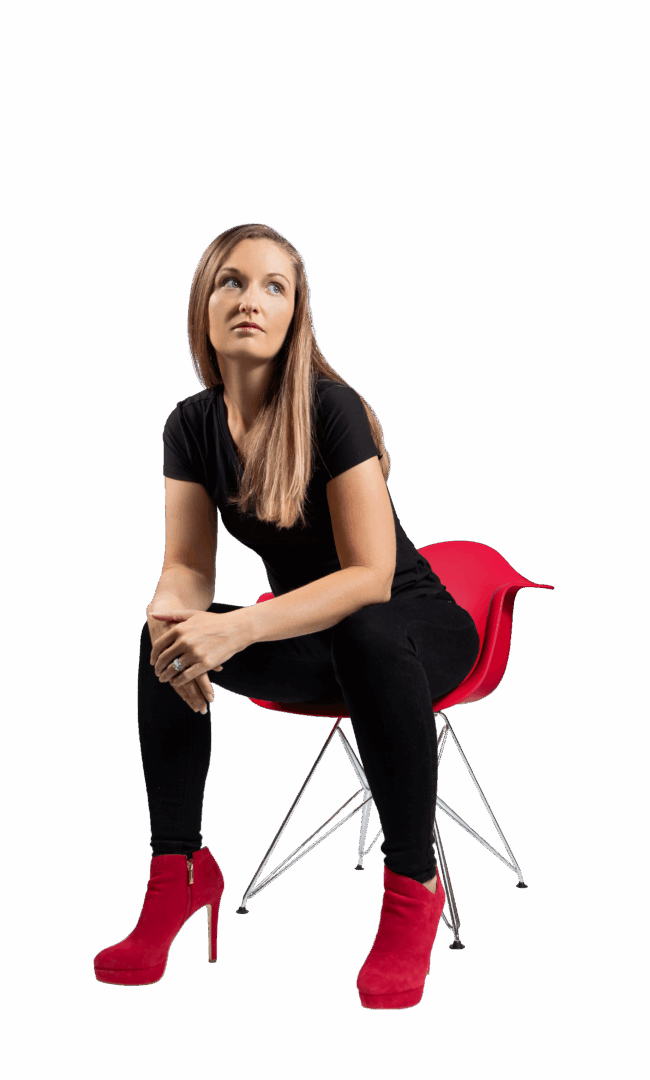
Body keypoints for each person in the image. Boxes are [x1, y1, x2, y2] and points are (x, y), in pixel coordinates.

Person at [93, 223, 480, 1010]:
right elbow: (189, 567)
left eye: (275, 286)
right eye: (232, 281)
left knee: (366, 629)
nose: (251, 299)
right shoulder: (189, 425)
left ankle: (413, 884)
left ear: (297, 313)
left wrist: (237, 628)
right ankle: (179, 871)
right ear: (202, 305)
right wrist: (174, 621)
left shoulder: (332, 409)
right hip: (315, 642)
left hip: (413, 631)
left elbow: (371, 577)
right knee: (161, 633)